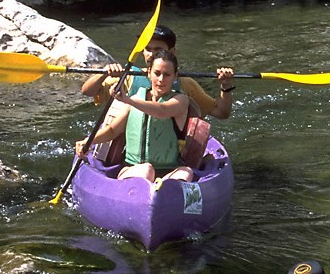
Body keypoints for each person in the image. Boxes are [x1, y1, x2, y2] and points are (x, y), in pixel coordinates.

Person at [76, 51, 194, 184]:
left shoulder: (181, 100)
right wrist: (88, 141)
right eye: (157, 73)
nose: (161, 79)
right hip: (133, 168)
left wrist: (127, 100)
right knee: (147, 170)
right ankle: (156, 189)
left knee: (186, 171)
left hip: (168, 171)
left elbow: (162, 111)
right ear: (149, 73)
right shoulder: (136, 99)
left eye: (167, 75)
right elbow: (112, 131)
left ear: (175, 76)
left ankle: (163, 191)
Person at [80, 24, 235, 123]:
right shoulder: (128, 77)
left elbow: (221, 112)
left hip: (171, 150)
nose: (151, 54)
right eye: (148, 49)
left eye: (158, 50)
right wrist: (104, 73)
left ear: (172, 52)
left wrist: (225, 87)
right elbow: (88, 92)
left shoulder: (184, 83)